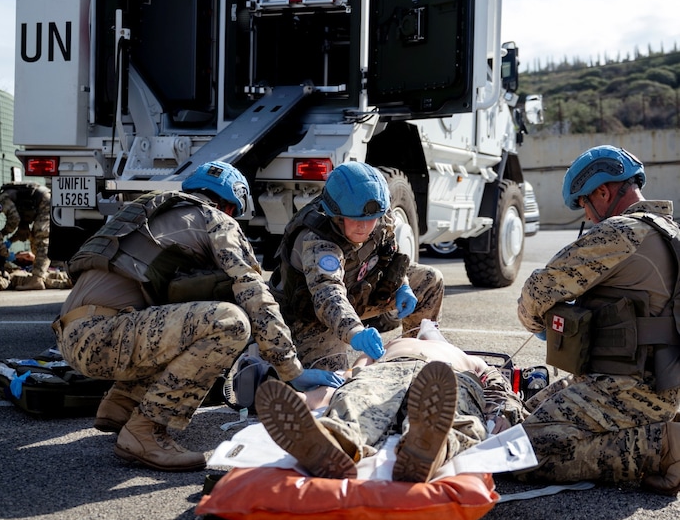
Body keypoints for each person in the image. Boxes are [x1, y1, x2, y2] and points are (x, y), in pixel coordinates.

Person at [53, 160, 343, 473]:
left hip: (75, 333)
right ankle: (146, 430)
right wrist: (290, 368)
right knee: (230, 323)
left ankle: (122, 403)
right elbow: (256, 295)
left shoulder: (153, 212)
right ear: (231, 206)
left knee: (184, 318)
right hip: (106, 336)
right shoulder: (216, 219)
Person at [517, 145, 680, 495]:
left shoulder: (621, 232)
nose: (588, 218)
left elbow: (537, 292)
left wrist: (538, 324)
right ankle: (663, 426)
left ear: (603, 192)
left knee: (521, 452)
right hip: (656, 383)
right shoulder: (671, 232)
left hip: (625, 386)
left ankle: (663, 447)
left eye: (585, 206)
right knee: (523, 413)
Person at [255, 335, 526, 481]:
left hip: (443, 377)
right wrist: (321, 393)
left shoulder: (466, 356)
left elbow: (497, 385)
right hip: (393, 369)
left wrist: (504, 413)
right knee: (357, 398)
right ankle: (332, 444)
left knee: (453, 408)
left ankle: (429, 446)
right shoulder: (394, 343)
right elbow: (356, 370)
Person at [269, 161, 444, 371]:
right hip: (312, 315)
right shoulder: (318, 241)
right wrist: (355, 332)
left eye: (371, 220)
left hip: (355, 291)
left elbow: (388, 251)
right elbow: (329, 297)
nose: (363, 226)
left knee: (430, 281)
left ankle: (414, 361)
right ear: (337, 215)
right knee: (333, 379)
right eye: (354, 220)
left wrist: (402, 284)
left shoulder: (379, 213)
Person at [0, 182, 51, 290]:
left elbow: (14, 219)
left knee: (41, 239)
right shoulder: (18, 202)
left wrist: (2, 234)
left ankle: (37, 280)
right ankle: (39, 274)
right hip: (41, 201)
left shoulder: (1, 199)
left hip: (43, 202)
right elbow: (23, 233)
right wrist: (11, 241)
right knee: (35, 241)